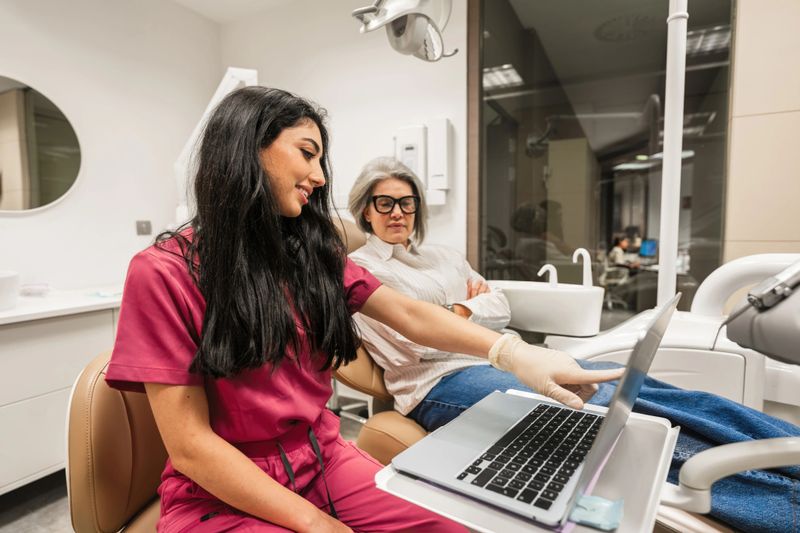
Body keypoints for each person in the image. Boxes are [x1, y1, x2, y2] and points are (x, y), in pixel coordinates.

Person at [104, 88, 623, 533]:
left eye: (320, 161)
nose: (318, 175)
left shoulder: (310, 255)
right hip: (220, 489)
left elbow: (411, 314)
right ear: (246, 146)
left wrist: (512, 352)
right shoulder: (164, 273)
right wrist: (315, 522)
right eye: (306, 154)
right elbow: (192, 447)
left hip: (321, 457)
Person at [347, 156, 800, 533]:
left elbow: (499, 305)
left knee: (657, 392)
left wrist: (460, 314)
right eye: (384, 202)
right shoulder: (360, 271)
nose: (397, 213)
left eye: (406, 202)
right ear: (365, 210)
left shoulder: (443, 255)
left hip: (507, 357)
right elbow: (417, 346)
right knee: (613, 420)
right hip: (443, 381)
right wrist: (462, 309)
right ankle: (787, 509)